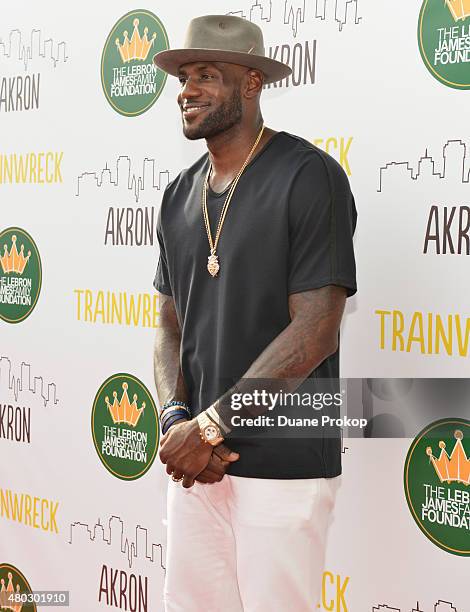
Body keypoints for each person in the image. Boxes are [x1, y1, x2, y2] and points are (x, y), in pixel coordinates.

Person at [152, 14, 357, 612]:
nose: (187, 89)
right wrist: (176, 421)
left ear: (250, 83)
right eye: (184, 76)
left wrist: (210, 427)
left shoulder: (307, 176)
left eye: (206, 75)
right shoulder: (177, 194)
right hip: (194, 465)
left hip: (284, 457)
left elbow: (316, 329)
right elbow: (168, 323)